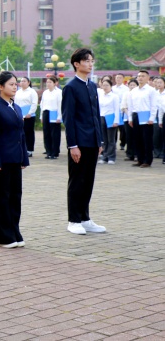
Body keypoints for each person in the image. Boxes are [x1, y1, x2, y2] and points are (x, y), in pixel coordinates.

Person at [61, 48, 105, 235]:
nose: (90, 64)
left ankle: (85, 219)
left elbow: (96, 115)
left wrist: (100, 141)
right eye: (86, 61)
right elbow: (68, 119)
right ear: (76, 64)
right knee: (77, 181)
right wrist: (73, 145)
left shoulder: (92, 86)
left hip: (93, 142)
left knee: (88, 181)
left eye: (92, 61)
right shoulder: (71, 88)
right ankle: (74, 220)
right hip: (79, 142)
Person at [0, 71, 29, 249]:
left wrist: (24, 158)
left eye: (16, 84)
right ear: (0, 86)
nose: (15, 87)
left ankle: (14, 231)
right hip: (0, 162)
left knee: (15, 198)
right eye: (11, 84)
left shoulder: (16, 107)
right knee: (1, 199)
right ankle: (2, 236)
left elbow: (21, 135)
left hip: (15, 160)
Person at [127, 70, 159, 168]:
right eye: (139, 76)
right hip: (136, 115)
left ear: (148, 78)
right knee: (137, 139)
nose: (140, 78)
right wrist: (130, 118)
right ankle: (140, 159)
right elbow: (130, 106)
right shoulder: (133, 91)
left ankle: (147, 160)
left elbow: (154, 105)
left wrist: (152, 118)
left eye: (143, 76)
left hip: (146, 116)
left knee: (146, 139)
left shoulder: (151, 90)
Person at [97, 77, 120, 165]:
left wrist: (116, 121)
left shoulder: (114, 96)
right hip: (102, 117)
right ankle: (104, 156)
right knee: (104, 139)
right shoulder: (100, 96)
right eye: (103, 85)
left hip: (110, 118)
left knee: (111, 139)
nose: (105, 87)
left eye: (107, 85)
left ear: (111, 86)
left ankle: (111, 157)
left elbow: (116, 109)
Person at [39, 76, 62, 159]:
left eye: (50, 82)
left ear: (55, 83)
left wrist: (59, 116)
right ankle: (48, 152)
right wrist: (41, 116)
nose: (48, 84)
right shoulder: (45, 92)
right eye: (47, 82)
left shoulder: (58, 92)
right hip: (46, 112)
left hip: (54, 113)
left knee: (54, 134)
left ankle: (55, 152)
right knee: (46, 133)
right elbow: (42, 104)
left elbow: (60, 105)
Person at [14, 77, 38, 157]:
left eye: (24, 81)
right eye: (21, 81)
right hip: (20, 115)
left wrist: (30, 113)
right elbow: (15, 103)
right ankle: (21, 149)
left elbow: (34, 103)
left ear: (28, 82)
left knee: (29, 133)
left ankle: (29, 150)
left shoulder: (32, 92)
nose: (22, 82)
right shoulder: (18, 92)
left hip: (29, 116)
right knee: (20, 132)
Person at [121, 78, 138, 161]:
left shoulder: (138, 94)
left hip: (137, 117)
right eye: (131, 85)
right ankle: (129, 154)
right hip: (127, 117)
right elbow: (123, 106)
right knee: (129, 136)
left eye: (134, 85)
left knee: (137, 136)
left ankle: (137, 154)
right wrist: (129, 115)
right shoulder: (126, 94)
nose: (132, 86)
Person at [112, 73, 128, 150]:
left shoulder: (126, 89)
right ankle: (113, 143)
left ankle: (122, 143)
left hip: (122, 111)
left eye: (120, 78)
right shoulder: (112, 88)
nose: (118, 79)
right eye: (117, 77)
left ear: (123, 79)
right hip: (113, 111)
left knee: (123, 129)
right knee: (113, 128)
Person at [152, 76, 165, 160]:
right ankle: (156, 152)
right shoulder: (154, 93)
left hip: (163, 114)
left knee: (163, 134)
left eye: (160, 82)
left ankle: (163, 152)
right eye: (157, 83)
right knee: (156, 134)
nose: (159, 84)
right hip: (155, 114)